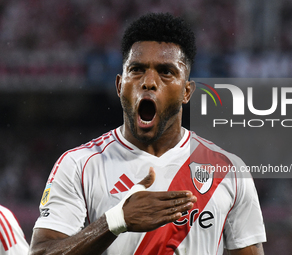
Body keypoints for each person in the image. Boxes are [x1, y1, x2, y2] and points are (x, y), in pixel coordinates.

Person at [29, 13, 266, 255]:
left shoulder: (228, 170)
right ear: (120, 86)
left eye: (166, 72)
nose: (149, 82)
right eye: (137, 70)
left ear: (186, 91)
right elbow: (41, 252)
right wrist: (114, 222)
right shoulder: (79, 165)